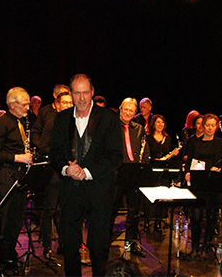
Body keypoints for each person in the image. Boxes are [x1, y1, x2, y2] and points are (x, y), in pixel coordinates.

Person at [49, 74, 122, 277]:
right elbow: (54, 153)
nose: (81, 98)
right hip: (70, 192)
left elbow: (115, 156)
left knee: (98, 247)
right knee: (69, 245)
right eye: (77, 93)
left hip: (99, 192)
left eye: (85, 92)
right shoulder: (61, 119)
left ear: (92, 92)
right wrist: (66, 169)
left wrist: (86, 172)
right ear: (70, 93)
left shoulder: (109, 118)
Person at [0, 87, 33, 274]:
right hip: (5, 176)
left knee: (15, 220)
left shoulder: (21, 122)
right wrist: (18, 157)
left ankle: (7, 257)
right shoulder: (2, 124)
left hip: (19, 177)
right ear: (12, 105)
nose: (27, 107)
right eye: (24, 104)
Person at [31, 89, 73, 259]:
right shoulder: (51, 123)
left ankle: (64, 244)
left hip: (72, 172)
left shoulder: (78, 123)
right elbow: (43, 147)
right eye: (65, 102)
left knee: (67, 211)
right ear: (58, 105)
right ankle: (47, 247)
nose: (68, 105)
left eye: (70, 102)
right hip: (55, 172)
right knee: (50, 209)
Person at [180, 113, 222, 259]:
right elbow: (189, 160)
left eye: (213, 126)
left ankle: (207, 245)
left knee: (211, 215)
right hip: (198, 184)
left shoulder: (221, 143)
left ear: (217, 127)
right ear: (203, 126)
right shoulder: (194, 142)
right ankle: (195, 247)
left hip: (213, 184)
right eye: (207, 125)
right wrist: (187, 172)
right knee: (196, 216)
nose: (210, 128)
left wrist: (218, 169)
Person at [111, 98, 149, 257]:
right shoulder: (112, 126)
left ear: (135, 113)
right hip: (116, 173)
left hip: (134, 173)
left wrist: (143, 166)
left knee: (134, 212)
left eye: (131, 110)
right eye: (125, 109)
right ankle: (105, 242)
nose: (127, 113)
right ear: (120, 109)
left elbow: (145, 151)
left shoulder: (139, 128)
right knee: (111, 210)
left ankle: (132, 243)